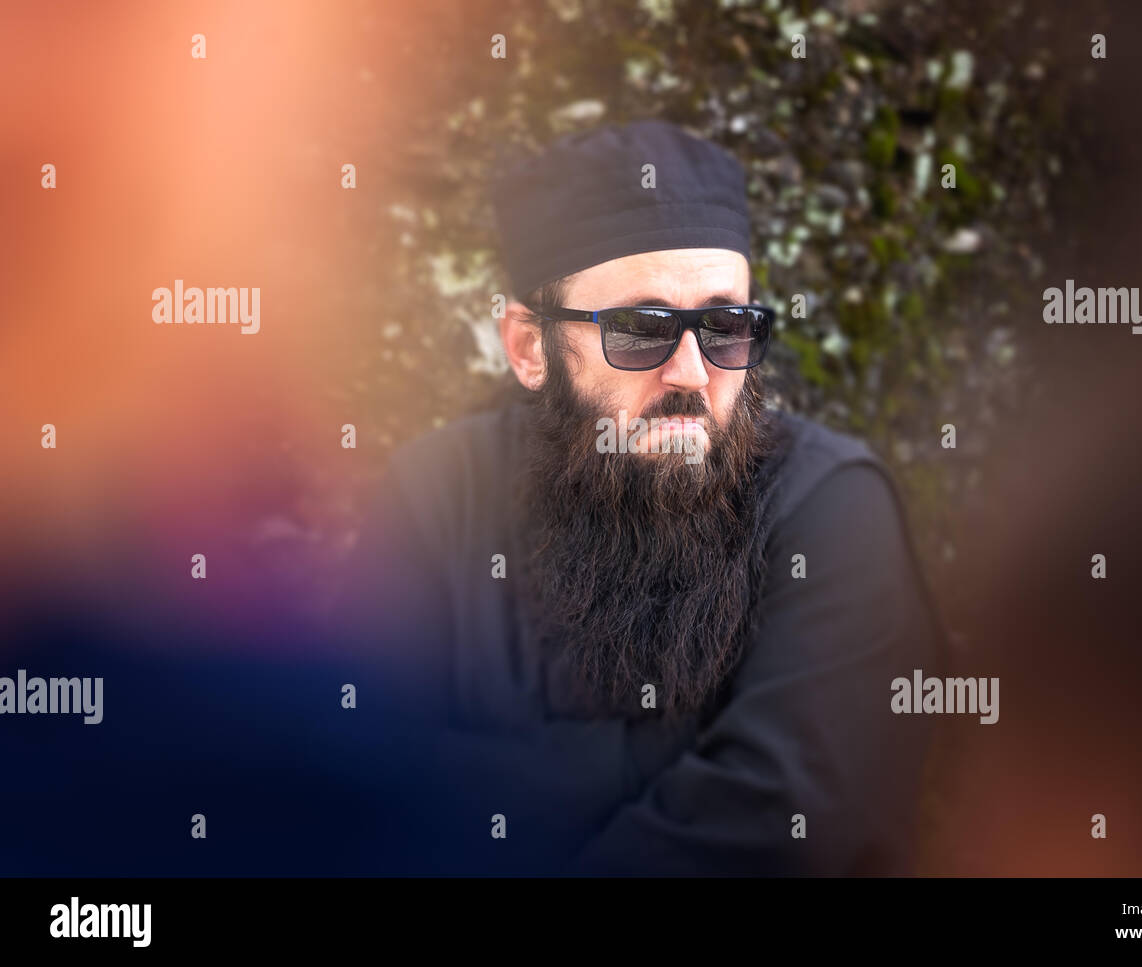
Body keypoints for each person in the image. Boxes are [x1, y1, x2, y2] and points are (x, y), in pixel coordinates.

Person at [333, 119, 944, 875]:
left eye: (725, 326)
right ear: (530, 347)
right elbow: (355, 797)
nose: (691, 373)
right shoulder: (437, 495)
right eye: (641, 329)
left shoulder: (831, 507)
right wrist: (654, 763)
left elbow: (789, 828)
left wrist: (496, 780)